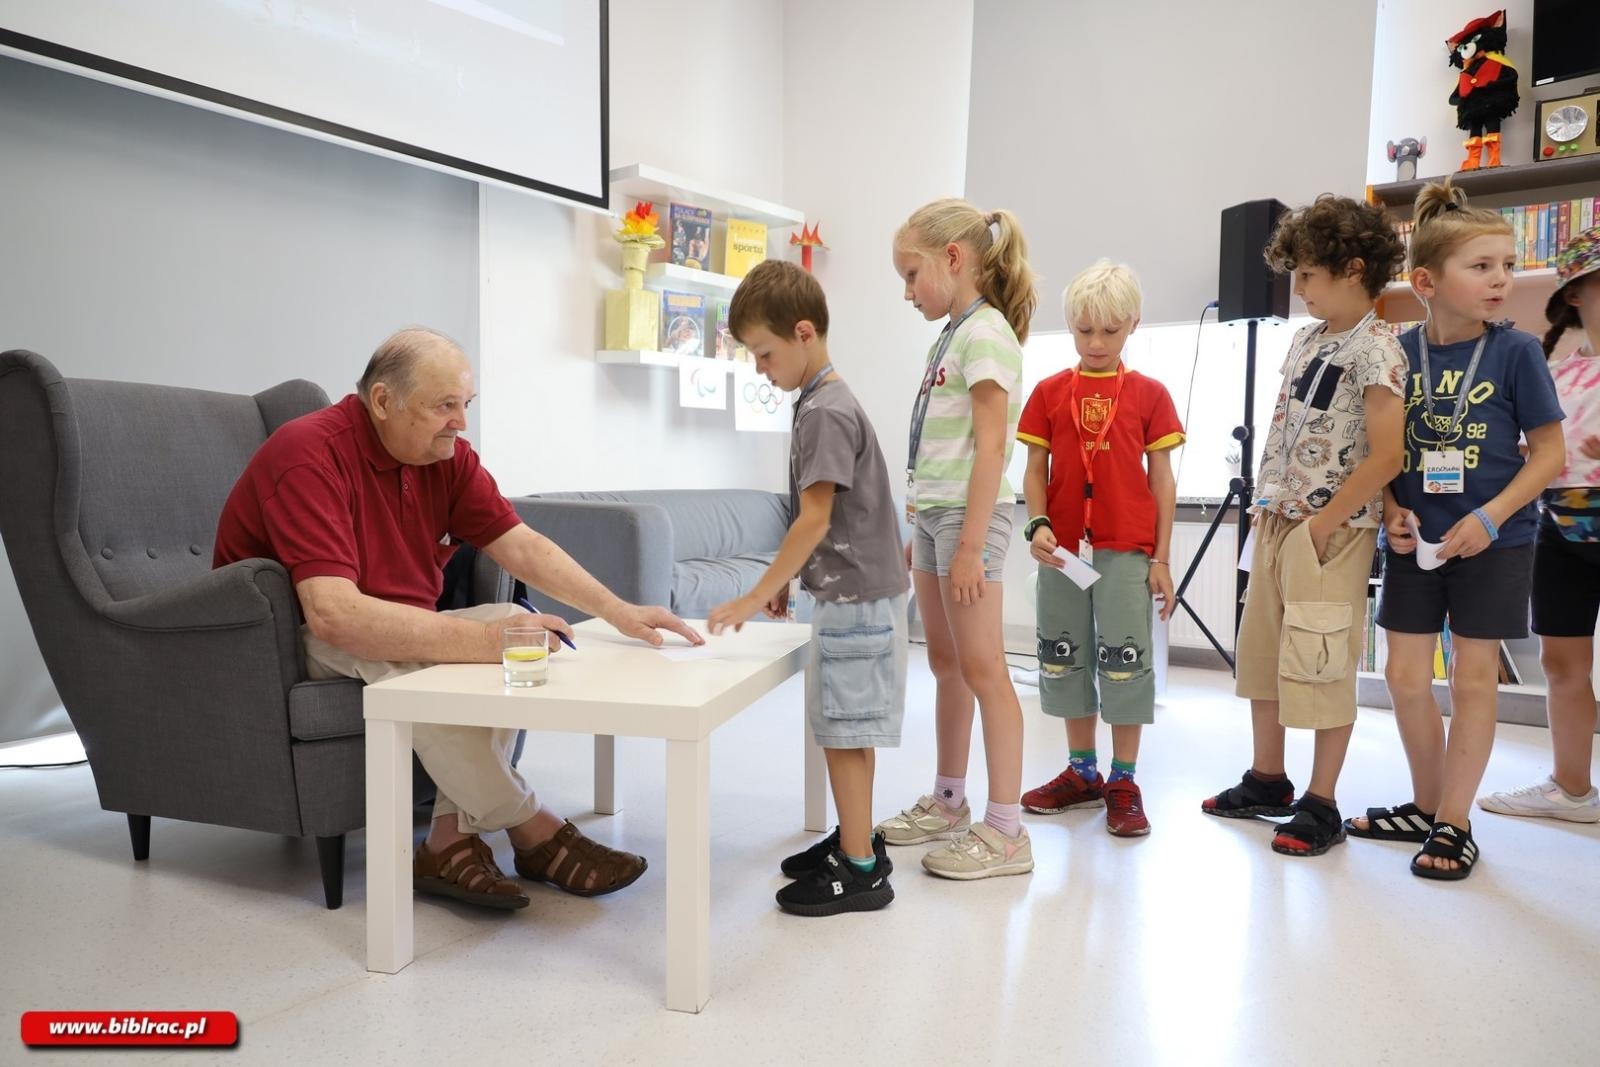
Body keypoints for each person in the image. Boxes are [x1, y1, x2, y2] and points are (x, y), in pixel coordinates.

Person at [214, 327, 703, 910]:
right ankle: (534, 829)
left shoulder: (443, 456)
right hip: (285, 636)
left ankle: (449, 840)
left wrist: (619, 611)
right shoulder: (309, 455)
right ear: (383, 401)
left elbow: (522, 546)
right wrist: (489, 642)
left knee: (506, 614)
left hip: (377, 623)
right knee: (454, 650)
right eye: (445, 406)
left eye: (464, 405)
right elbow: (335, 615)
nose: (460, 422)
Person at [1347, 181, 1565, 880]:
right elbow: (1375, 446)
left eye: (1506, 264)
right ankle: (1425, 802)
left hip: (1496, 542)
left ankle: (1454, 821)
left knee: (1473, 679)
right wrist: (1389, 507)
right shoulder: (1395, 350)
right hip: (1416, 541)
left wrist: (1489, 516)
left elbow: (1550, 453)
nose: (1501, 278)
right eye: (1481, 266)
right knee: (1407, 677)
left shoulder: (1517, 353)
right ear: (1425, 281)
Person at [1199, 195, 1408, 857]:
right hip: (1278, 521)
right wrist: (1276, 511)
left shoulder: (1378, 350)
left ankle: (1322, 801)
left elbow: (1387, 454)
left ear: (1352, 269)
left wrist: (1322, 524)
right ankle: (1269, 778)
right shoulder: (1306, 338)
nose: (1299, 289)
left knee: (1319, 665)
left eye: (1308, 276)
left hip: (1331, 534)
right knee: (1263, 657)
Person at [706, 261, 909, 916]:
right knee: (846, 728)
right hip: (856, 593)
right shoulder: (824, 401)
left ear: (802, 333)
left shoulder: (825, 410)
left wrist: (754, 590)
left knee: (845, 731)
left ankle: (859, 870)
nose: (761, 368)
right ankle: (856, 842)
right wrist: (793, 581)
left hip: (856, 601)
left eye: (764, 354)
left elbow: (814, 516)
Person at [877, 197, 1036, 880]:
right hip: (937, 517)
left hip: (972, 521)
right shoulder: (950, 333)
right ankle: (949, 801)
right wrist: (925, 528)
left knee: (984, 669)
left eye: (911, 275)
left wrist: (970, 543)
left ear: (954, 258)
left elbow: (992, 448)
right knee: (945, 663)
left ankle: (1006, 831)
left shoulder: (987, 332)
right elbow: (942, 443)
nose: (907, 292)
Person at [1017, 260, 1183, 837]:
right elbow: (1035, 469)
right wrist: (1037, 524)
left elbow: (1162, 481)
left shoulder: (1149, 395)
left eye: (1109, 331)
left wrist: (1161, 559)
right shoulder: (1047, 393)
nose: (1095, 342)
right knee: (1064, 656)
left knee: (1123, 663)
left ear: (1133, 325)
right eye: (1084, 330)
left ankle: (1124, 779)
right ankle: (1081, 772)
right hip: (1061, 552)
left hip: (1125, 550)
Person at [1477, 225, 1600, 823]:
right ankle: (1571, 788)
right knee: (1560, 662)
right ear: (1578, 293)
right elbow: (1541, 450)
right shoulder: (1559, 371)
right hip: (1559, 532)